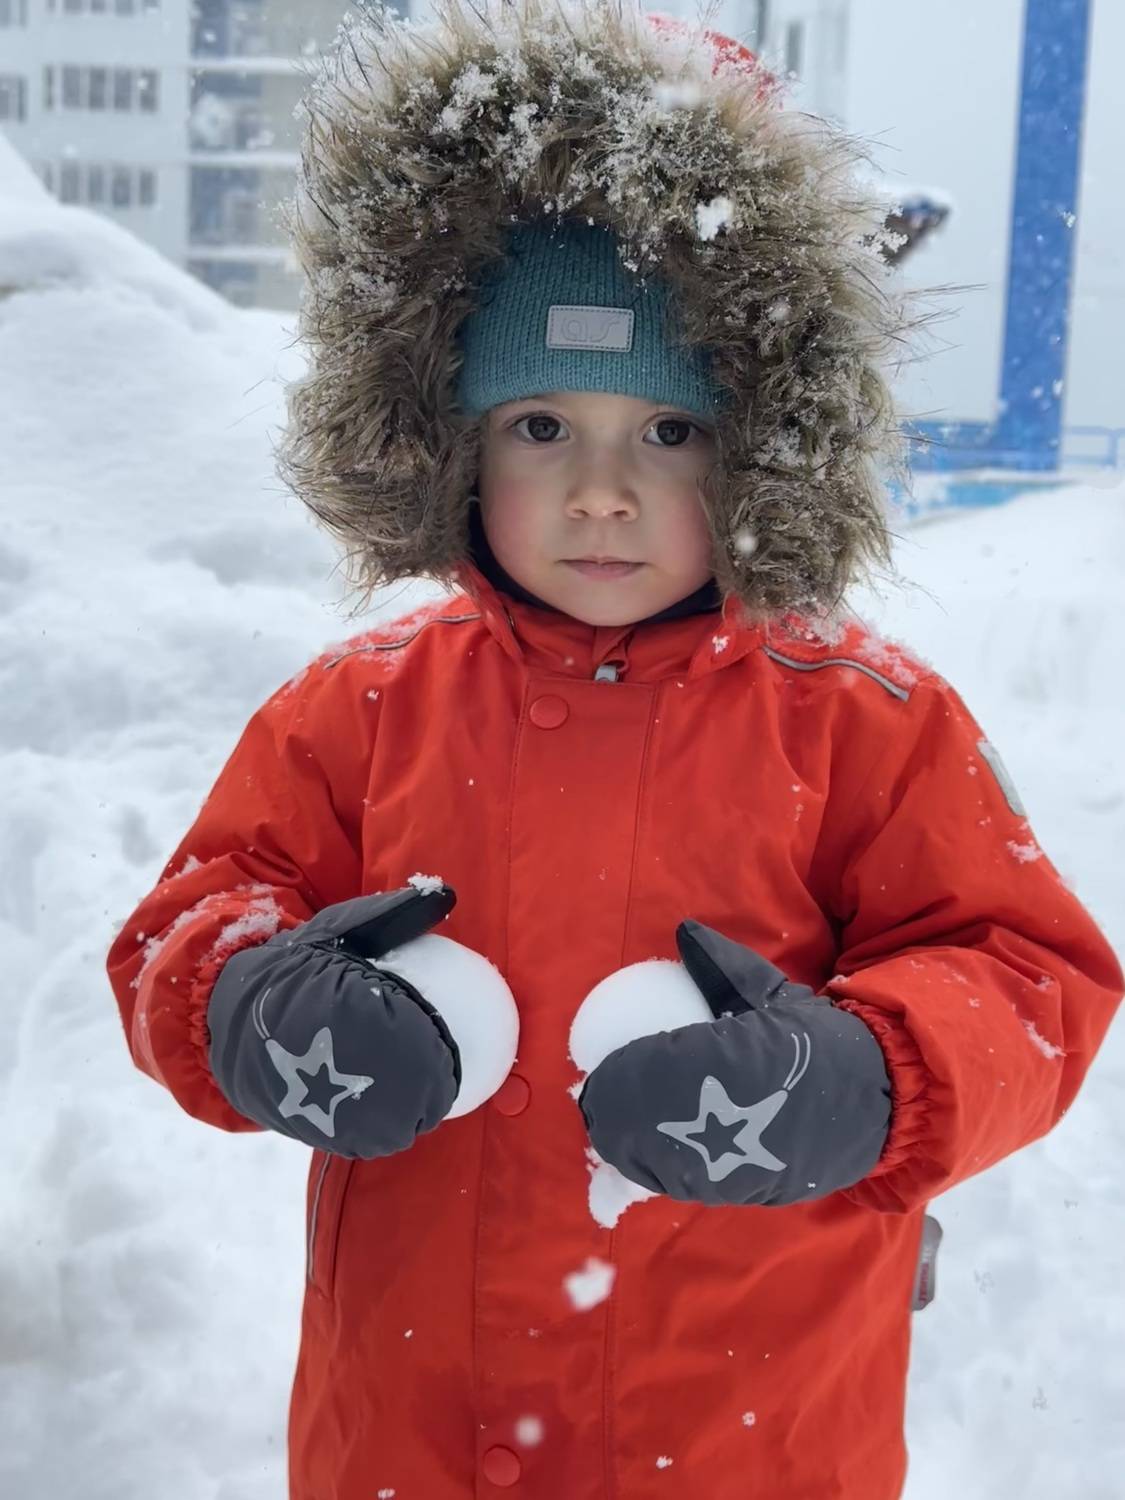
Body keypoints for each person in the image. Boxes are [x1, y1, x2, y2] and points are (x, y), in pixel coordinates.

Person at [105, 4, 1122, 1498]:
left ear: (765, 445)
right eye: (538, 426)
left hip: (748, 1424)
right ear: (448, 440)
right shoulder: (362, 706)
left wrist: (866, 1075)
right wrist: (253, 1006)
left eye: (668, 432)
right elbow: (187, 923)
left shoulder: (867, 717)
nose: (599, 492)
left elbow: (1025, 974)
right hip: (410, 1425)